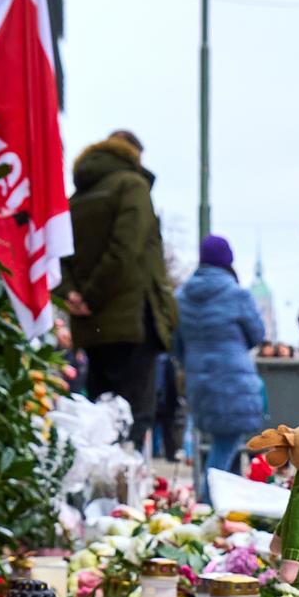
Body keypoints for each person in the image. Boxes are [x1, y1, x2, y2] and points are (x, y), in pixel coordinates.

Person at [65, 130, 178, 450]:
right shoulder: (132, 185)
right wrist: (93, 294)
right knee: (132, 417)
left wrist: (75, 296)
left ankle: (96, 491)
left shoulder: (78, 196)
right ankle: (121, 495)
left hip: (90, 324)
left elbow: (61, 253)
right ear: (134, 154)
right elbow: (125, 249)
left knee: (99, 415)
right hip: (132, 321)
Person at [172, 235, 265, 503]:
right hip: (234, 379)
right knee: (225, 445)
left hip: (198, 381)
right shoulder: (237, 294)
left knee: (218, 441)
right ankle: (208, 504)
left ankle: (225, 501)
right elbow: (257, 333)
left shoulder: (181, 297)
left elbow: (177, 344)